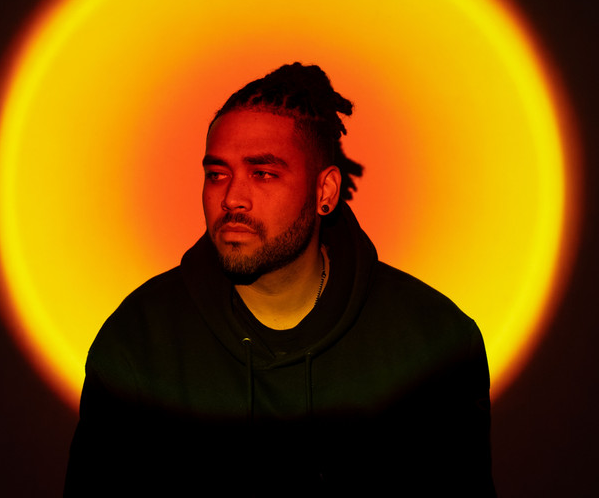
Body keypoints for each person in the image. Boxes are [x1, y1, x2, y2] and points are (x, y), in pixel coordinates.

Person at [64, 62, 495, 496]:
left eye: (263, 173)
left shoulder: (433, 344)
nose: (232, 198)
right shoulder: (139, 341)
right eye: (217, 174)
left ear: (325, 192)